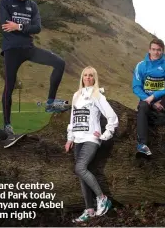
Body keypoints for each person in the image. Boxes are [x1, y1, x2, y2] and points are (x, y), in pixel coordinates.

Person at [0, 0, 70, 135]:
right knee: (9, 86)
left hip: (29, 48)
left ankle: (50, 103)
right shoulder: (5, 2)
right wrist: (25, 27)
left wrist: (19, 27)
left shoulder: (33, 6)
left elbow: (37, 28)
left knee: (60, 63)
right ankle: (7, 126)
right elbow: (5, 25)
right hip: (11, 49)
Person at [65, 66, 118, 223]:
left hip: (91, 139)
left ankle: (102, 198)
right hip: (78, 139)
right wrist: (70, 138)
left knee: (80, 168)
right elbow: (72, 120)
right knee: (83, 174)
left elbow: (112, 117)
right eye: (85, 75)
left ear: (95, 78)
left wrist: (105, 134)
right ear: (82, 77)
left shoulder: (97, 95)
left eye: (91, 76)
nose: (87, 78)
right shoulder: (76, 95)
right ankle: (89, 210)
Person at [132, 38, 165, 155]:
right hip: (147, 102)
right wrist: (151, 101)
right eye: (153, 49)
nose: (156, 52)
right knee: (142, 106)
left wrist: (154, 96)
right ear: (149, 50)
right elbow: (136, 87)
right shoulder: (141, 66)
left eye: (159, 50)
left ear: (162, 51)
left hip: (163, 102)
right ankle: (142, 144)